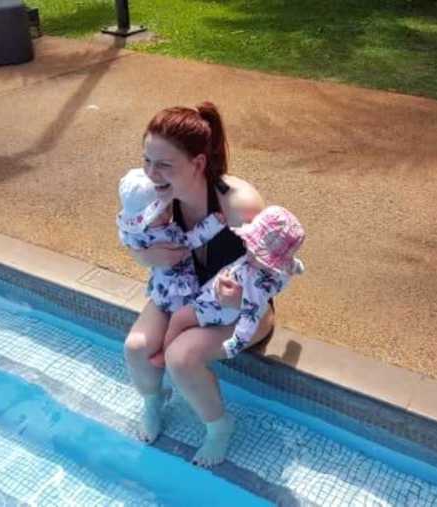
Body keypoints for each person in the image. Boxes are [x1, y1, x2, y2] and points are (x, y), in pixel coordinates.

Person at [122, 101, 274, 468]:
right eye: (147, 161)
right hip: (180, 295)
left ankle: (219, 427)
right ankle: (154, 401)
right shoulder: (153, 197)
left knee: (182, 357)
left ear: (198, 163)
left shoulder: (239, 205)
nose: (151, 174)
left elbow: (272, 273)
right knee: (136, 347)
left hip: (241, 308)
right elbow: (134, 241)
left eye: (164, 165)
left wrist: (241, 296)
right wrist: (148, 258)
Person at [153, 205, 305, 363]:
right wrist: (295, 266)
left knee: (179, 319)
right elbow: (289, 266)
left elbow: (249, 318)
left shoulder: (256, 285)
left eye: (254, 249)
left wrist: (234, 345)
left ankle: (165, 354)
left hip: (219, 307)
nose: (247, 247)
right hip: (220, 299)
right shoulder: (274, 270)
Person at [116, 167, 227, 314]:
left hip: (159, 289)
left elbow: (124, 239)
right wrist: (212, 224)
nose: (168, 214)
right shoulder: (165, 235)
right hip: (179, 291)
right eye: (166, 209)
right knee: (185, 315)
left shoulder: (130, 231)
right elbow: (191, 240)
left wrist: (141, 253)